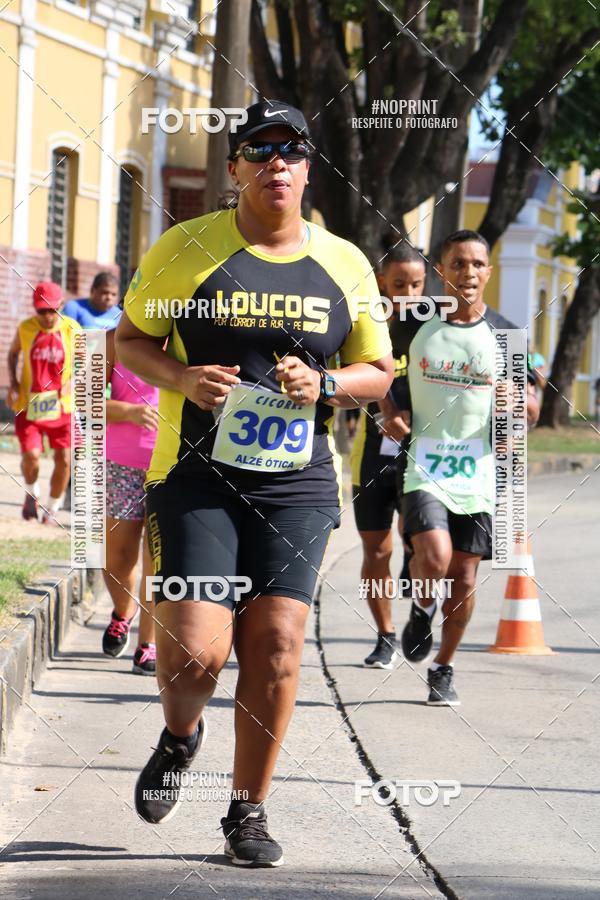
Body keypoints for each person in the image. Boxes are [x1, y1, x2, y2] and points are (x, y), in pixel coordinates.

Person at [115, 99, 394, 867]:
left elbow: (381, 371)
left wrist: (330, 382)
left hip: (296, 486)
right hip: (196, 478)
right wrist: (181, 374)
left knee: (276, 643)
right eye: (260, 149)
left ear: (309, 169)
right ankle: (180, 736)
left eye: (294, 150)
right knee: (194, 655)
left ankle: (247, 812)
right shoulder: (185, 248)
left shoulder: (344, 263)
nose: (278, 162)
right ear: (235, 165)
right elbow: (130, 340)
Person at [398, 230, 539, 706]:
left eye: (478, 264)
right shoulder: (417, 325)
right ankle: (421, 607)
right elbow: (388, 379)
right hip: (426, 464)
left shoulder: (507, 335)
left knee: (463, 579)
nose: (469, 273)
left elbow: (533, 409)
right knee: (434, 557)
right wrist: (390, 413)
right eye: (459, 264)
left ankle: (443, 667)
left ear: (488, 272)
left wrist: (518, 401)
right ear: (443, 271)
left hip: (479, 473)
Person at [350, 244, 425, 668]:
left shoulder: (434, 325)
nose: (408, 294)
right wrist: (386, 412)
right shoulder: (368, 322)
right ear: (382, 282)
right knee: (376, 552)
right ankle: (385, 635)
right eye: (399, 285)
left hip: (422, 454)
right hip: (373, 454)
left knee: (421, 543)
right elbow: (350, 381)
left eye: (416, 285)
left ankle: (420, 603)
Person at [102, 327, 159, 674]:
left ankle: (147, 644)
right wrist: (129, 412)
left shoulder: (190, 336)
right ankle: (124, 611)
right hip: (120, 462)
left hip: (169, 465)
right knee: (116, 558)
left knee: (158, 557)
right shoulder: (111, 340)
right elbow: (83, 398)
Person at [7, 282, 81, 524]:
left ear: (61, 306)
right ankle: (32, 493)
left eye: (52, 310)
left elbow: (88, 360)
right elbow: (12, 353)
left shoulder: (72, 329)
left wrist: (75, 380)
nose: (47, 317)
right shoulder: (26, 328)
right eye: (41, 311)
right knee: (32, 456)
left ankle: (52, 508)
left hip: (63, 407)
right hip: (30, 405)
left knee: (64, 459)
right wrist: (14, 382)